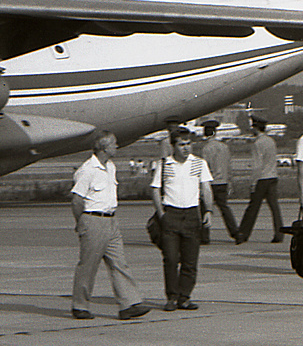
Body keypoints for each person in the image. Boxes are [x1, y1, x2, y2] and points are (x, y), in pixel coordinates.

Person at [68, 131, 152, 321]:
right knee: (88, 265)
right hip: (93, 220)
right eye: (114, 144)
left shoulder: (111, 167)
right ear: (104, 148)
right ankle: (80, 305)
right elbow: (77, 200)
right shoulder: (87, 170)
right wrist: (81, 223)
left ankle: (129, 304)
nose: (117, 146)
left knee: (119, 262)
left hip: (111, 220)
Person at [150, 126, 215, 311]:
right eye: (181, 145)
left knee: (190, 260)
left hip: (192, 215)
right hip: (171, 214)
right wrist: (161, 214)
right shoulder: (164, 164)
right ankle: (171, 297)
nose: (186, 148)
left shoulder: (199, 163)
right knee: (170, 259)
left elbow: (206, 188)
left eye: (188, 144)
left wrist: (208, 211)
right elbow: (155, 189)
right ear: (173, 146)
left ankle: (184, 297)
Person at [236, 116, 284, 243]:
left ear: (256, 128)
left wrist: (253, 183)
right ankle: (279, 233)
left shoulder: (257, 143)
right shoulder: (271, 141)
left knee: (253, 207)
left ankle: (243, 233)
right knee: (274, 207)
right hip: (272, 176)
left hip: (262, 178)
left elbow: (257, 165)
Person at [198, 121, 240, 242]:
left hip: (211, 183)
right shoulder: (224, 147)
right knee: (224, 208)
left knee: (205, 209)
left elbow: (205, 167)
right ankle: (235, 232)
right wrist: (230, 181)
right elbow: (229, 165)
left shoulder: (206, 149)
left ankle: (204, 236)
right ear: (215, 132)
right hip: (223, 182)